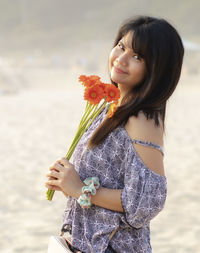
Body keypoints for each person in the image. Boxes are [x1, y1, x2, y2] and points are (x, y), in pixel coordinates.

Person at [45, 15, 184, 253]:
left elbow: (146, 202)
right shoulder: (112, 106)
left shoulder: (141, 119)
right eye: (121, 46)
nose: (121, 59)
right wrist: (66, 181)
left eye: (137, 56)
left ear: (157, 69)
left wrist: (79, 189)